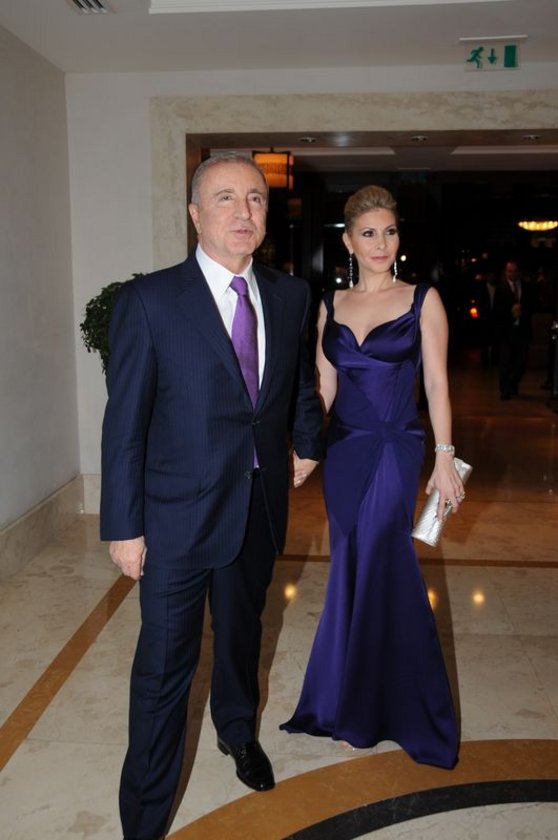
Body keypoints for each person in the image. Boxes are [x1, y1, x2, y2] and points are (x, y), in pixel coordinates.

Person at [100, 152, 323, 840]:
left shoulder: (289, 295)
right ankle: (143, 819)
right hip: (174, 517)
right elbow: (124, 422)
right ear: (196, 214)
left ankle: (236, 730)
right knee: (164, 669)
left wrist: (308, 442)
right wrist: (123, 526)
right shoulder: (148, 301)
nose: (243, 211)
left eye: (255, 198)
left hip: (257, 507)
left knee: (242, 635)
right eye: (225, 198)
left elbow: (298, 383)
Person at [280, 185, 464, 769]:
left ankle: (379, 708)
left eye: (389, 231)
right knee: (350, 566)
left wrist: (444, 455)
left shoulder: (422, 299)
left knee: (385, 560)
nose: (381, 243)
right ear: (349, 242)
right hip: (346, 451)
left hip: (395, 446)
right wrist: (307, 447)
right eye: (368, 233)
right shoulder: (330, 304)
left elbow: (436, 383)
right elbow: (324, 385)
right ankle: (343, 697)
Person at [494, 259, 533, 400]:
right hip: (506, 331)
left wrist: (521, 311)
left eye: (515, 271)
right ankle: (505, 390)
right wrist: (511, 313)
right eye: (510, 271)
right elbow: (497, 311)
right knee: (505, 361)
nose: (512, 274)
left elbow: (532, 306)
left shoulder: (526, 287)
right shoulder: (501, 289)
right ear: (505, 272)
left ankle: (513, 383)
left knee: (521, 362)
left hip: (522, 330)